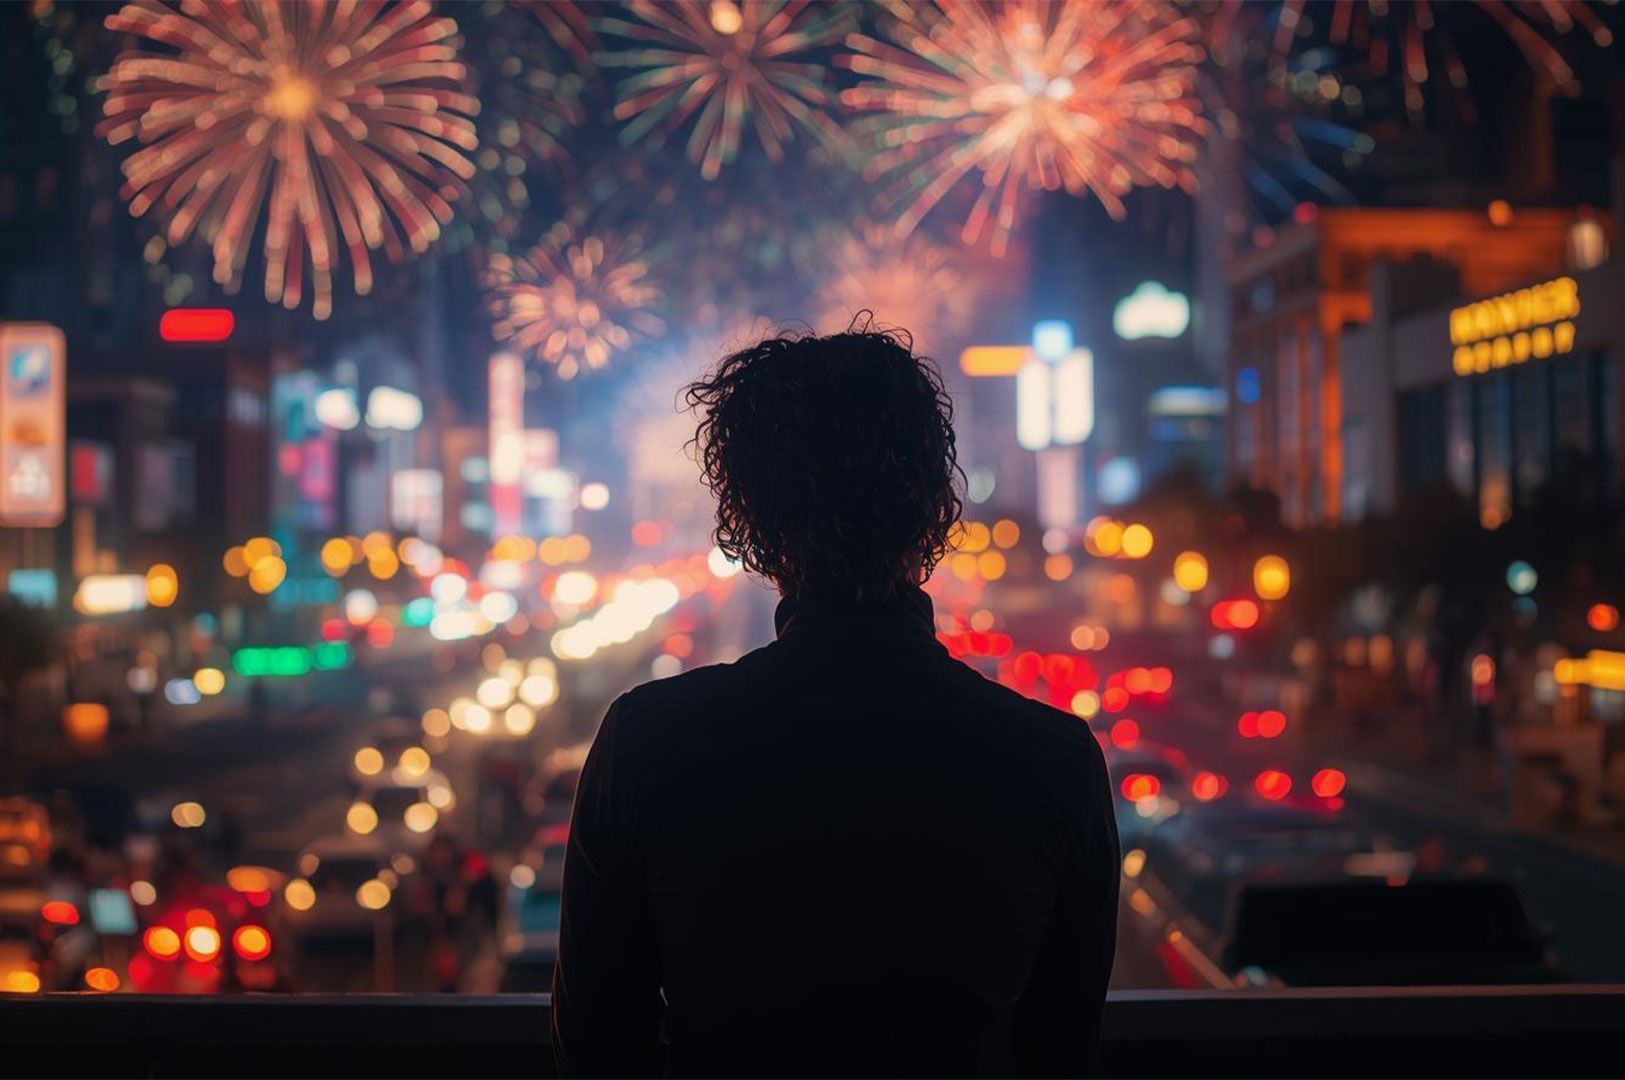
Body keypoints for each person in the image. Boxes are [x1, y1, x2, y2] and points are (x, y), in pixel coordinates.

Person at [553, 326, 1119, 1077]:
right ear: (934, 508)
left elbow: (594, 1046)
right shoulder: (1056, 761)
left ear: (750, 519)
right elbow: (1064, 1051)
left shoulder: (646, 744)